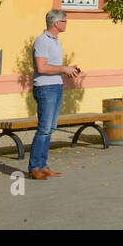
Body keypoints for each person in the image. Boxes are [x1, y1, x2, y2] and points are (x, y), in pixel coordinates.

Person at [30, 10, 82, 179]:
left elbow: (52, 66)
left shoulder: (55, 41)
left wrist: (68, 70)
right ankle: (34, 168)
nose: (67, 23)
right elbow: (42, 68)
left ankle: (42, 165)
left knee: (50, 129)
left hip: (56, 86)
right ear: (56, 23)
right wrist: (63, 69)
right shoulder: (42, 41)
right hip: (45, 89)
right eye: (65, 21)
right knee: (44, 129)